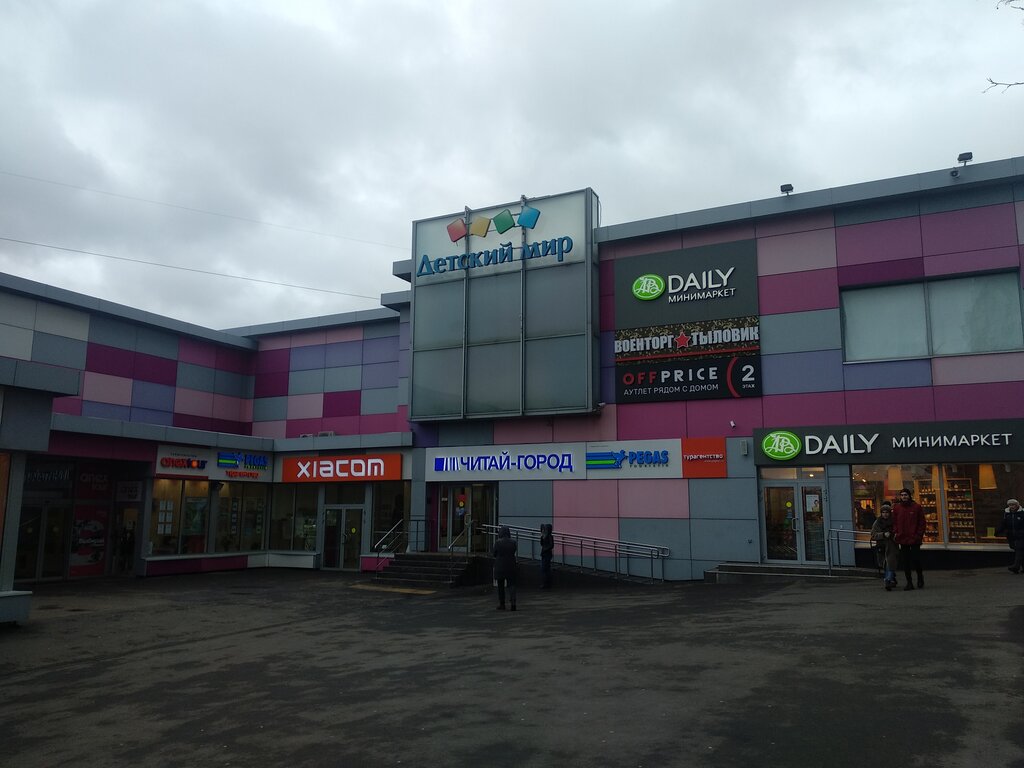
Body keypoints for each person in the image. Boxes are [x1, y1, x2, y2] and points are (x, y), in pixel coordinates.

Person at [892, 488, 926, 591]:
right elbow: (894, 522)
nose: (904, 497)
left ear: (909, 496)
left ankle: (920, 577)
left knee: (916, 559)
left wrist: (918, 535)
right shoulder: (897, 508)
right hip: (903, 538)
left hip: (914, 538)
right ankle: (909, 582)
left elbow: (922, 522)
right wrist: (897, 532)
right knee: (905, 561)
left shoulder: (917, 507)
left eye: (905, 495)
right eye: (902, 495)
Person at [870, 502, 899, 591]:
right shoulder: (877, 522)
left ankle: (888, 580)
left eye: (887, 512)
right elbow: (873, 535)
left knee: (890, 564)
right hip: (881, 546)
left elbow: (898, 532)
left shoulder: (894, 521)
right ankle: (891, 578)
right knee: (884, 564)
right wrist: (882, 535)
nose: (885, 514)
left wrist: (894, 536)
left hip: (891, 546)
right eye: (883, 512)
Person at [995, 498, 1024, 574]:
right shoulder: (1007, 514)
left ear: (1017, 505)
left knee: (1019, 549)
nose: (1012, 506)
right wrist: (997, 531)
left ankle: (1016, 567)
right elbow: (1003, 524)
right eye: (1010, 505)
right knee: (1019, 551)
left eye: (1013, 505)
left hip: (1021, 535)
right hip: (1011, 536)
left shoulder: (1022, 513)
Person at [493, 526, 518, 611]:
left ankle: (502, 604)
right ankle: (513, 603)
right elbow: (514, 551)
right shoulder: (513, 542)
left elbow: (494, 553)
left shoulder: (498, 542)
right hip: (511, 565)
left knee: (500, 586)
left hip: (500, 566)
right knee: (512, 585)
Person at [539, 523, 554, 589]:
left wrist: (545, 549)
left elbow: (551, 545)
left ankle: (546, 583)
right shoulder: (544, 536)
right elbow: (541, 544)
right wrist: (542, 537)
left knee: (544, 569)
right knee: (545, 569)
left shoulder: (550, 536)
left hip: (547, 554)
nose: (544, 530)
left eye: (545, 529)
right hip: (544, 554)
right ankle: (546, 583)